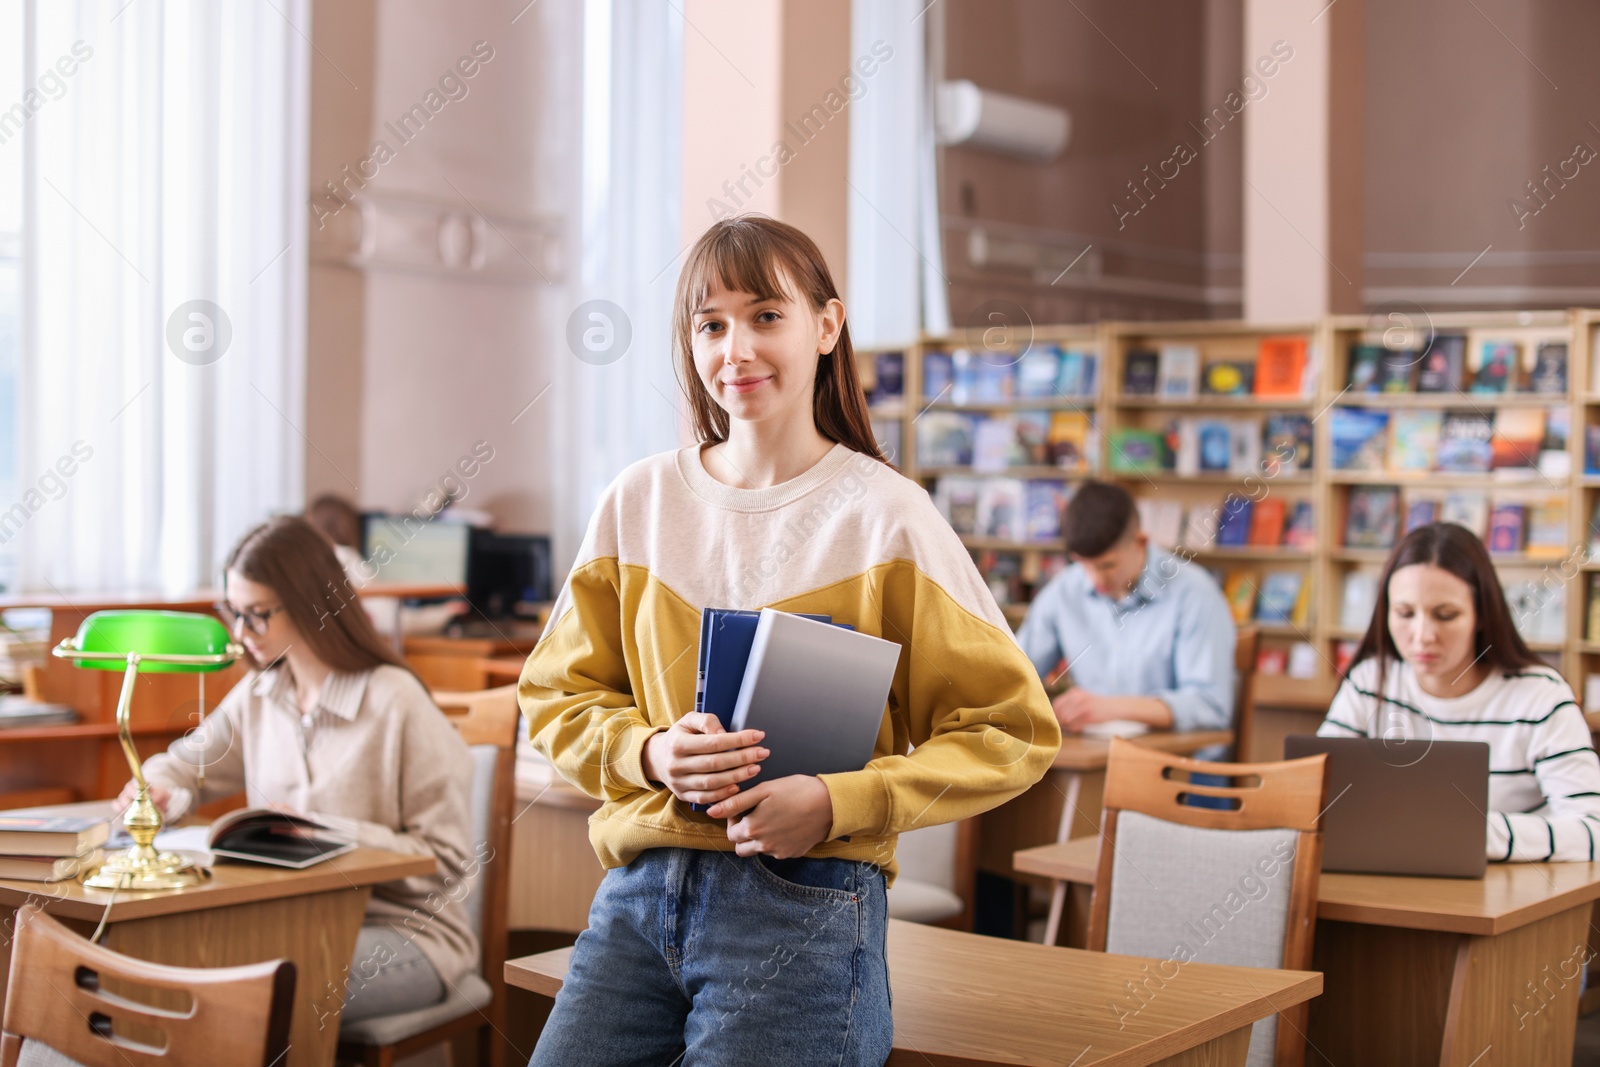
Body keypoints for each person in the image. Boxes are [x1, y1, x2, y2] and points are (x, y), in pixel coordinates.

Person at [519, 215, 1060, 1066]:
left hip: (808, 901)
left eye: (766, 315)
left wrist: (839, 801)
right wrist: (651, 751)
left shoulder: (888, 517)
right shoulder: (638, 500)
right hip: (637, 893)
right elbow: (554, 696)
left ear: (827, 326)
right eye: (711, 323)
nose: (737, 347)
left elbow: (1012, 731)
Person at [120, 515, 478, 1022]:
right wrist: (157, 788)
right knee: (165, 967)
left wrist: (324, 834)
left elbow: (449, 860)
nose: (242, 634)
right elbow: (181, 767)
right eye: (233, 613)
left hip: (407, 934)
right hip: (290, 921)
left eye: (258, 614)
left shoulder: (396, 702)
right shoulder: (261, 693)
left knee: (244, 1000)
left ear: (313, 605)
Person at [1318, 522, 1600, 862]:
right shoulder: (1369, 683)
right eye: (1405, 613)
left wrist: (1471, 833)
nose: (1422, 635)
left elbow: (1592, 830)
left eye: (1446, 615)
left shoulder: (1541, 697)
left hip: (1509, 902)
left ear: (1482, 615)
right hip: (1391, 886)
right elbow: (1314, 797)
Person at [1015, 480, 1236, 738]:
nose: (1094, 580)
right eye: (1082, 564)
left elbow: (1210, 707)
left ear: (1140, 542)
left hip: (1179, 769)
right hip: (1095, 758)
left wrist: (1112, 708)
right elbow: (1017, 674)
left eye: (1107, 566)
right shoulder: (1064, 590)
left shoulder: (1195, 594)